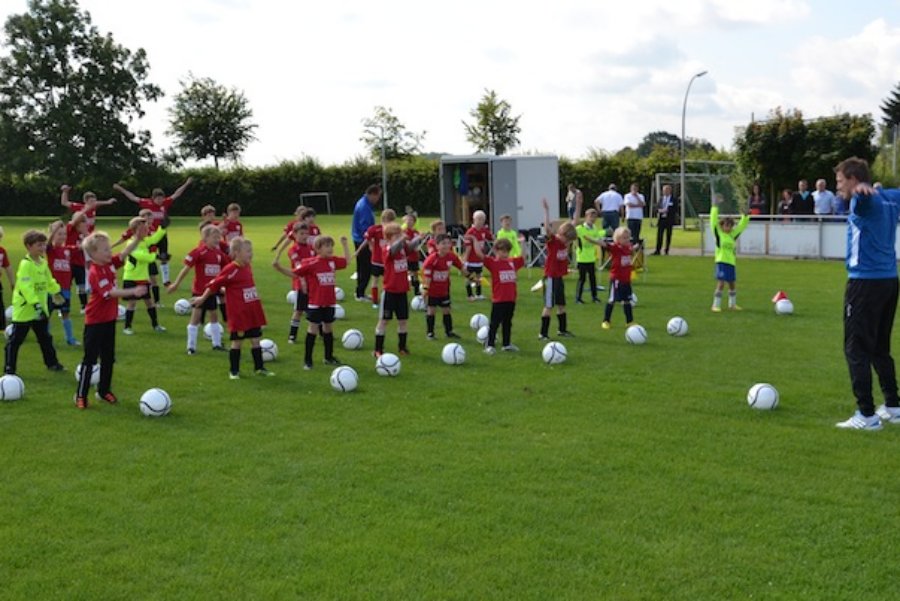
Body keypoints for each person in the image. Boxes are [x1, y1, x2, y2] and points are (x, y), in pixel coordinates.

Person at [833, 157, 900, 430]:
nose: (838, 187)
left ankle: (867, 415)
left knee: (856, 349)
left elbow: (861, 201)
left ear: (853, 180)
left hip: (865, 284)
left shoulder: (863, 200)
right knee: (879, 348)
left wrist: (862, 192)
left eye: (839, 182)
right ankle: (894, 406)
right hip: (889, 281)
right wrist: (873, 189)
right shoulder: (889, 198)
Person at [75, 230, 147, 408]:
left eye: (109, 249)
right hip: (95, 322)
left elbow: (124, 253)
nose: (110, 252)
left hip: (109, 320)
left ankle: (103, 390)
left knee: (108, 358)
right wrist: (133, 291)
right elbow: (110, 293)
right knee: (90, 359)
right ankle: (81, 395)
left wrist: (137, 239)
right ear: (93, 254)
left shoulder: (109, 265)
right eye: (105, 250)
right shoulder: (95, 271)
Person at [194, 237, 273, 379]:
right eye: (248, 251)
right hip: (239, 312)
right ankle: (234, 371)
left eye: (251, 251)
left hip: (252, 309)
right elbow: (214, 284)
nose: (251, 254)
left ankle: (259, 368)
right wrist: (202, 298)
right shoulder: (231, 269)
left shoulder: (247, 266)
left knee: (256, 339)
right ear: (236, 252)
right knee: (237, 342)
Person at [4, 230, 65, 375]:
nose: (43, 247)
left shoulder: (43, 263)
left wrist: (57, 292)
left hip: (40, 309)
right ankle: (9, 367)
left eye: (44, 244)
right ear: (29, 246)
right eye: (39, 245)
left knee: (45, 338)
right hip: (26, 310)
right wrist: (35, 303)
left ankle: (52, 363)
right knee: (16, 341)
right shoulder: (26, 265)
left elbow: (49, 280)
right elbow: (26, 287)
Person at [113, 177, 193, 286]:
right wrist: (121, 189)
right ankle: (148, 278)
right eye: (158, 199)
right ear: (153, 198)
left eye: (162, 199)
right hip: (148, 235)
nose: (160, 201)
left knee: (164, 256)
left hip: (161, 234)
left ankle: (166, 280)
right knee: (149, 256)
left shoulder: (165, 203)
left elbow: (176, 194)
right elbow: (133, 197)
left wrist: (186, 184)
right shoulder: (147, 204)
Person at [166, 224, 230, 354]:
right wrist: (176, 284)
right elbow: (186, 268)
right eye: (214, 237)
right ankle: (191, 347)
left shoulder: (219, 254)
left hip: (212, 291)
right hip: (199, 291)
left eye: (219, 237)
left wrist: (224, 287)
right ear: (205, 238)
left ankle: (216, 344)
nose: (218, 240)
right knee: (196, 317)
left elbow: (226, 271)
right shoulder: (198, 252)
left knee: (214, 316)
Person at [290, 235, 350, 370]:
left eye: (331, 246)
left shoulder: (333, 261)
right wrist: (279, 268)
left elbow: (346, 262)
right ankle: (308, 360)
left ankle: (328, 357)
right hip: (315, 303)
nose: (330, 249)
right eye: (327, 246)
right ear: (317, 249)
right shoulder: (311, 263)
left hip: (329, 302)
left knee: (328, 328)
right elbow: (295, 272)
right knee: (313, 329)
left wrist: (345, 245)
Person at [469, 238, 525, 354]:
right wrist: (474, 240)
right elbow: (480, 254)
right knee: (494, 323)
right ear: (496, 251)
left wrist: (523, 243)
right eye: (502, 251)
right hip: (499, 300)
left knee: (507, 322)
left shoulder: (512, 262)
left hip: (510, 299)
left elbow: (523, 258)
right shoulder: (493, 263)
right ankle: (489, 345)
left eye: (506, 251)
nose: (504, 254)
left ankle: (506, 343)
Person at [373, 223, 421, 357]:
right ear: (389, 237)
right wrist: (402, 239)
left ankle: (402, 347)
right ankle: (378, 349)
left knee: (403, 321)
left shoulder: (402, 248)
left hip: (402, 291)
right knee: (384, 320)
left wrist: (419, 238)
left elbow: (410, 247)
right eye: (396, 235)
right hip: (390, 292)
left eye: (399, 234)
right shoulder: (387, 248)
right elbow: (393, 249)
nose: (400, 236)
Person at [538, 197, 578, 340]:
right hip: (550, 278)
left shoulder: (564, 244)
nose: (567, 244)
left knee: (561, 304)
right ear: (560, 234)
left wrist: (578, 204)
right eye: (566, 240)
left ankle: (562, 330)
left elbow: (574, 222)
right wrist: (546, 211)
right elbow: (548, 229)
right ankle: (543, 333)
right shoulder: (554, 241)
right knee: (549, 306)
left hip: (559, 278)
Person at [121, 216, 167, 334]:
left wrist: (162, 228)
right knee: (132, 303)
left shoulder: (145, 240)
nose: (147, 230)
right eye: (143, 229)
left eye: (146, 228)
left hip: (143, 278)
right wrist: (156, 256)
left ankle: (155, 325)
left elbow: (155, 238)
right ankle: (127, 327)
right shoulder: (131, 243)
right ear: (135, 230)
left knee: (149, 302)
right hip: (131, 277)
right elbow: (140, 255)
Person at [272, 222, 314, 343]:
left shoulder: (311, 248)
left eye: (306, 233)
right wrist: (303, 282)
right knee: (299, 310)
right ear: (294, 234)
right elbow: (298, 268)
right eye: (301, 233)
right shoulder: (293, 250)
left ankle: (320, 332)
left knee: (316, 308)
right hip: (301, 284)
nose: (304, 236)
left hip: (312, 283)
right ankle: (292, 335)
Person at [421, 233, 468, 340]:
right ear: (437, 246)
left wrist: (471, 277)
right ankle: (430, 333)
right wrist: (425, 290)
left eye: (448, 243)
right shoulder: (432, 259)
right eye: (443, 243)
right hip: (432, 290)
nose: (446, 246)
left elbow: (461, 267)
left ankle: (449, 331)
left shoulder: (451, 256)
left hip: (444, 289)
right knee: (431, 310)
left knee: (446, 310)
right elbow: (427, 276)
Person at [709, 195, 749, 312]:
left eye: (731, 226)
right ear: (722, 226)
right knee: (721, 283)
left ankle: (732, 304)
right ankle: (715, 305)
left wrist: (745, 216)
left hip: (731, 262)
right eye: (726, 225)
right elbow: (713, 221)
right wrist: (715, 207)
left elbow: (741, 227)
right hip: (721, 262)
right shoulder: (718, 234)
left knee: (732, 284)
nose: (729, 228)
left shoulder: (733, 235)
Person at [46, 219, 82, 346]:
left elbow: (82, 246)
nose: (62, 237)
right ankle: (46, 339)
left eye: (64, 234)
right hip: (52, 289)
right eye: (59, 234)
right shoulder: (50, 250)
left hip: (65, 288)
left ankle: (70, 338)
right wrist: (53, 230)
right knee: (48, 314)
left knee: (66, 313)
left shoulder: (67, 250)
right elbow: (47, 243)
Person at [358, 208, 397, 308]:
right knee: (375, 280)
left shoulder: (394, 231)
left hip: (387, 261)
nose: (388, 224)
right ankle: (375, 302)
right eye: (387, 221)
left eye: (390, 221)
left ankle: (386, 301)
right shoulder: (375, 229)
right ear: (382, 220)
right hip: (376, 261)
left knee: (388, 282)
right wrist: (365, 247)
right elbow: (367, 239)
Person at [599, 227, 636, 329]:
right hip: (617, 279)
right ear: (618, 239)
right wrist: (594, 240)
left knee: (627, 301)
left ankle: (629, 321)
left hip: (626, 280)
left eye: (628, 238)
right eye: (624, 238)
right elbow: (605, 245)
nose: (627, 240)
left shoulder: (628, 248)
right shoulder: (616, 248)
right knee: (612, 300)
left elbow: (630, 254)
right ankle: (606, 320)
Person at [351, 184, 380, 301]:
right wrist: (371, 243)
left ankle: (360, 292)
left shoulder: (363, 203)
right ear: (372, 194)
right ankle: (360, 293)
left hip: (358, 239)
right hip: (362, 241)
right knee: (366, 268)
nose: (378, 199)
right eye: (378, 195)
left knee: (362, 267)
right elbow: (365, 229)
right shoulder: (364, 207)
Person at [463, 210, 493, 301]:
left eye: (482, 219)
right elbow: (467, 248)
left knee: (479, 276)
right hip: (471, 260)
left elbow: (491, 237)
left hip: (479, 260)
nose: (480, 221)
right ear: (474, 219)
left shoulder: (484, 230)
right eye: (478, 219)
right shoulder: (470, 232)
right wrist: (465, 260)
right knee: (469, 278)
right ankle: (469, 295)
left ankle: (478, 294)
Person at [575, 208, 604, 303]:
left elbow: (597, 236)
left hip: (591, 258)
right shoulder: (580, 229)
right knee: (582, 279)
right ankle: (578, 298)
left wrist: (605, 232)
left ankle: (594, 297)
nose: (593, 219)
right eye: (591, 216)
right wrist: (598, 241)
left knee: (593, 279)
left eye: (595, 217)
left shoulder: (594, 228)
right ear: (586, 217)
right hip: (582, 258)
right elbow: (587, 239)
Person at [654, 184, 679, 255]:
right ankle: (657, 250)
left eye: (666, 190)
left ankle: (666, 250)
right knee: (659, 235)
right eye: (664, 190)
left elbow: (676, 209)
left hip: (669, 219)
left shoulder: (673, 199)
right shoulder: (661, 198)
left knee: (668, 235)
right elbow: (656, 207)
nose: (665, 192)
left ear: (670, 191)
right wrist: (659, 210)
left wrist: (668, 210)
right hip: (661, 219)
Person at [402, 211, 422, 296]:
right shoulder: (403, 232)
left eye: (411, 220)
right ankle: (403, 289)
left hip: (414, 256)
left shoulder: (416, 232)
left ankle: (416, 291)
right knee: (404, 273)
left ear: (414, 222)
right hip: (406, 257)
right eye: (407, 220)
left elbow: (418, 245)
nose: (409, 222)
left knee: (415, 273)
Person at [0, 226, 14, 331]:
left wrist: (12, 282)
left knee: (0, 304)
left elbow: (7, 266)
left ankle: (2, 326)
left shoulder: (2, 251)